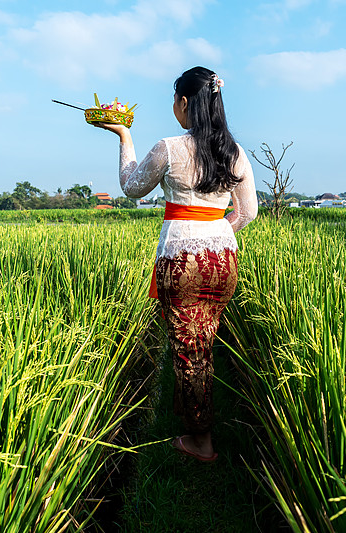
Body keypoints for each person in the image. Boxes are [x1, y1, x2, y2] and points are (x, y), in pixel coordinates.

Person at [92, 66, 258, 462]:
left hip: (182, 261)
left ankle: (200, 441)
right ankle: (194, 415)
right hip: (222, 259)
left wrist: (124, 135)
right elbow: (248, 212)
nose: (173, 106)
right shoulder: (235, 151)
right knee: (204, 339)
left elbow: (132, 188)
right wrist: (216, 232)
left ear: (184, 103)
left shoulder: (171, 147)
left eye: (174, 99)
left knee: (188, 348)